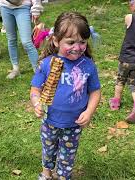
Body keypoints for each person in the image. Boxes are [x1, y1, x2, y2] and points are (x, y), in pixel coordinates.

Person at [30, 12, 101, 180]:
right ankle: (47, 174)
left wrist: (89, 112)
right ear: (55, 41)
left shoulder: (88, 66)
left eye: (82, 42)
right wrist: (36, 103)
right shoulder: (47, 64)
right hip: (50, 121)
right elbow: (35, 89)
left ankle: (63, 176)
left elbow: (95, 92)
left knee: (68, 154)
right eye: (70, 42)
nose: (77, 47)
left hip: (74, 123)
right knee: (48, 150)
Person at [0, 0, 43, 79]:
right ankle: (15, 69)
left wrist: (36, 8)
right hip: (5, 7)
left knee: (26, 42)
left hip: (23, 7)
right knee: (11, 40)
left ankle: (38, 71)